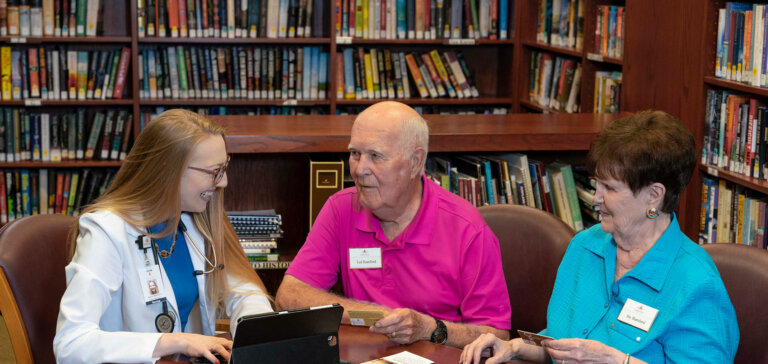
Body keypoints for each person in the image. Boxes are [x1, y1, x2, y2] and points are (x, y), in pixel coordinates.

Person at [461, 110, 739, 364]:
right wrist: (514, 347)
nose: (596, 199)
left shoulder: (697, 284)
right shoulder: (585, 246)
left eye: (610, 188)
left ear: (654, 196)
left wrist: (618, 361)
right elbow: (562, 345)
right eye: (597, 184)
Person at [276, 101, 511, 348]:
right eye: (355, 153)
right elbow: (289, 297)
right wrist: (379, 317)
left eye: (375, 156)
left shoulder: (468, 230)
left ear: (415, 162)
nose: (359, 169)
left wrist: (429, 328)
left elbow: (497, 335)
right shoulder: (341, 208)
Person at [54, 109, 272, 364]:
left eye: (224, 168)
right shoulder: (106, 231)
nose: (223, 182)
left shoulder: (197, 218)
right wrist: (175, 341)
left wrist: (258, 332)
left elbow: (242, 290)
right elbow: (71, 343)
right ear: (169, 170)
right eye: (214, 172)